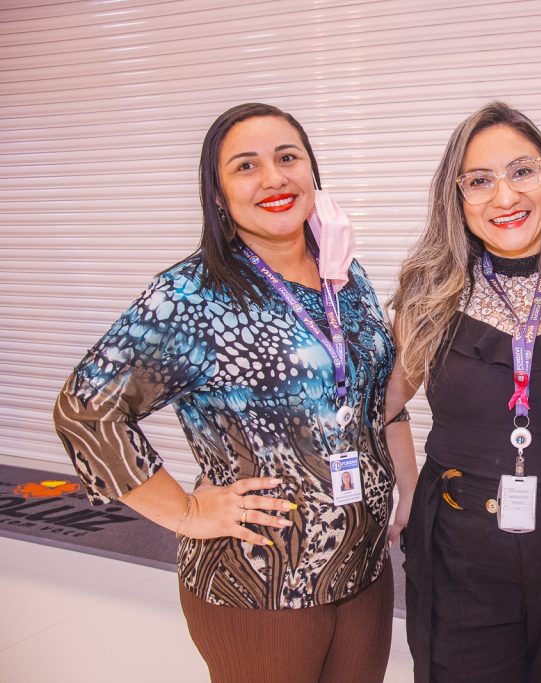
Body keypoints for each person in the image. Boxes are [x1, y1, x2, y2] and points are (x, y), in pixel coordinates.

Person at [53, 103, 416, 683]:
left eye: (288, 157)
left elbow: (378, 402)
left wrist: (409, 489)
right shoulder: (191, 296)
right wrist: (189, 512)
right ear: (219, 195)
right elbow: (86, 412)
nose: (274, 177)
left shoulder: (345, 276)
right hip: (258, 579)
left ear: (312, 175)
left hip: (365, 567)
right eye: (246, 165)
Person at [389, 101, 541, 682]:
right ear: (457, 199)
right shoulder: (429, 293)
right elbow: (386, 407)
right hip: (459, 552)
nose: (505, 196)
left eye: (522, 172)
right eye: (480, 181)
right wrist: (411, 493)